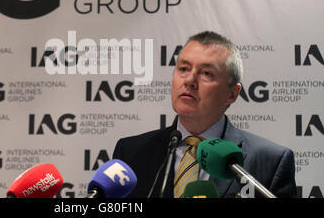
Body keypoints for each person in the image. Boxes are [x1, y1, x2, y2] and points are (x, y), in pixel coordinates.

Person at [112, 31, 297, 198]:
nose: (190, 80)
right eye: (183, 69)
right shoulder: (130, 153)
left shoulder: (269, 160)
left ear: (232, 93)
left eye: (206, 73)